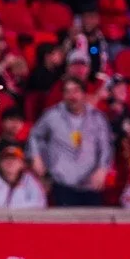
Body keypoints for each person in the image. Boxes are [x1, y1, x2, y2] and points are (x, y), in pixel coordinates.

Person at [28, 77, 113, 206]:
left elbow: (105, 147)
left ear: (84, 94)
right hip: (62, 185)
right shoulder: (52, 115)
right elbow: (35, 136)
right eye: (67, 91)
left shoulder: (97, 117)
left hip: (90, 185)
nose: (71, 96)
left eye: (75, 91)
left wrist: (102, 169)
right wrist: (36, 157)